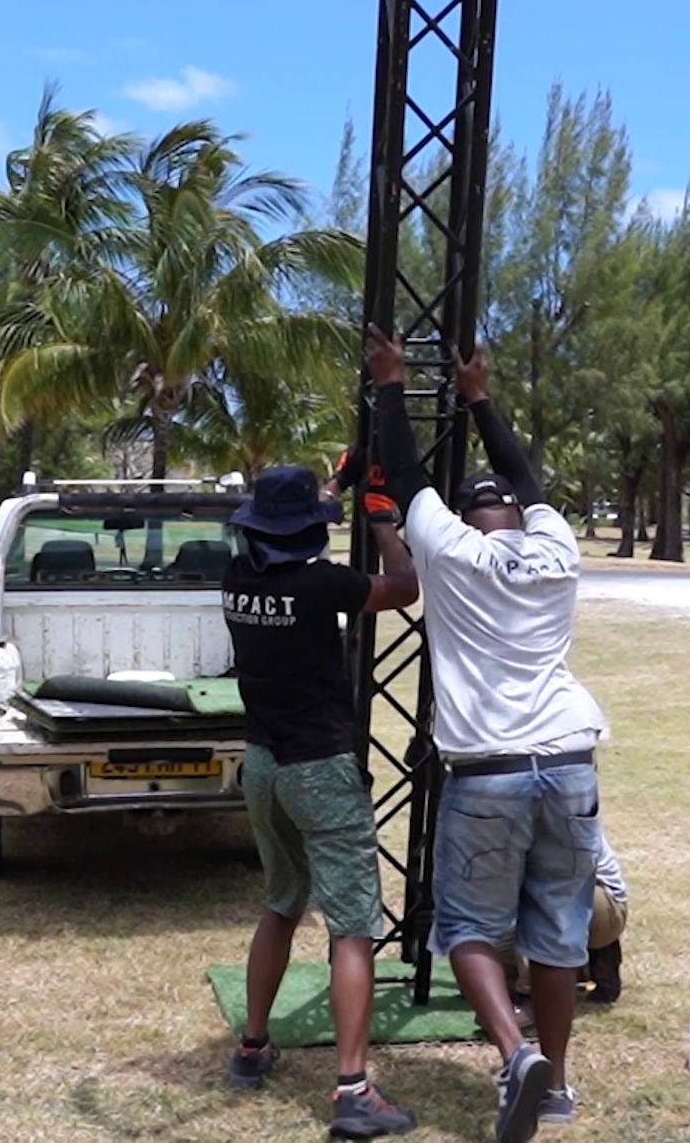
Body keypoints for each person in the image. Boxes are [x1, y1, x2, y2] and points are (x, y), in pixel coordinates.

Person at [364, 325, 609, 1138]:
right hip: (570, 762)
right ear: (520, 514)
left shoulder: (446, 550)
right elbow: (529, 474)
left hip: (488, 770)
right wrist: (481, 398)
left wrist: (391, 384)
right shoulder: (558, 549)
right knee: (559, 931)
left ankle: (515, 1056)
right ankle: (560, 1080)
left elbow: (401, 473)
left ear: (466, 516)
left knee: (466, 926)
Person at [222, 460, 420, 1139]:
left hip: (263, 765)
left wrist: (331, 489)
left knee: (281, 903)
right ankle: (352, 1089)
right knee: (353, 925)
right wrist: (385, 526)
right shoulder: (321, 583)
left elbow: (286, 531)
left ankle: (252, 1045)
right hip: (320, 769)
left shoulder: (237, 577)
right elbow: (405, 587)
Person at [503, 833, 628, 1009]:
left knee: (528, 897)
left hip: (598, 908)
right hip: (605, 908)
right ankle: (596, 972)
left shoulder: (545, 820)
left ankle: (531, 993)